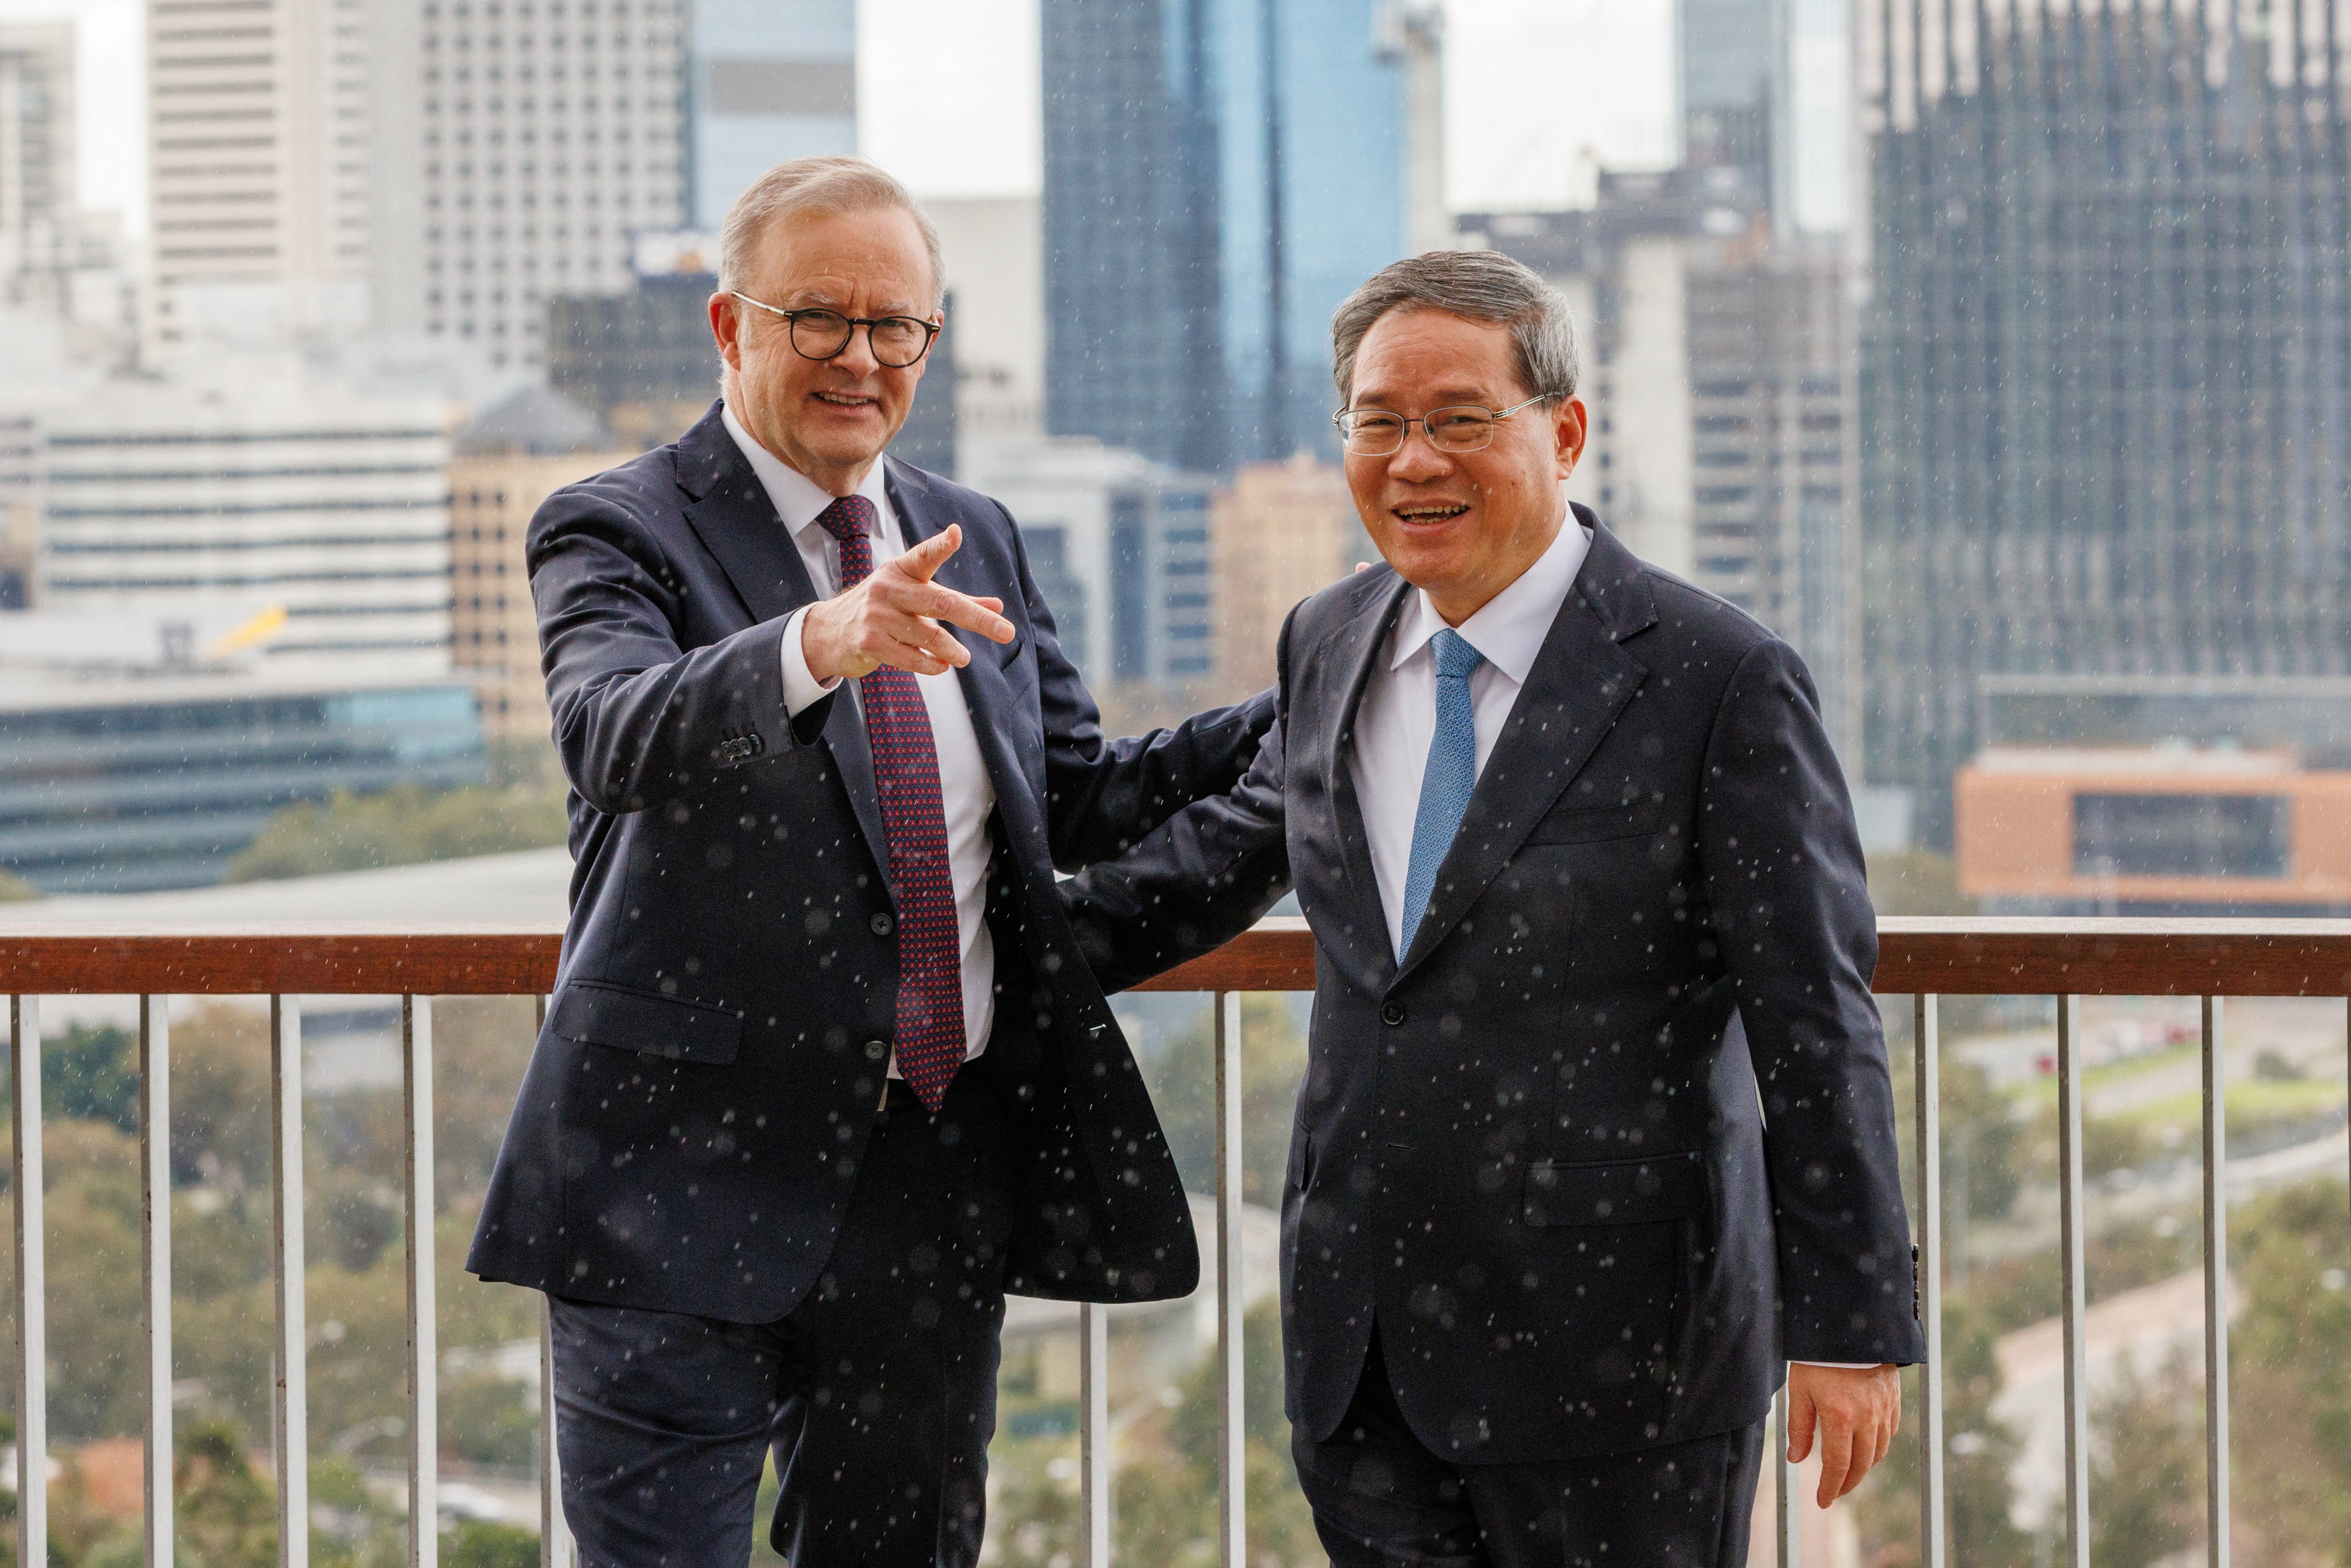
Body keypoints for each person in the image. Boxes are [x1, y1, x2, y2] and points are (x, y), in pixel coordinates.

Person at [466, 156, 1274, 1568]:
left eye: (895, 324)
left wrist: (1317, 699)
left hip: (924, 1187)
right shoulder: (616, 523)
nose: (861, 356)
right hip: (674, 1194)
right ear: (731, 328)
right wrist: (819, 640)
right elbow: (611, 734)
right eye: (818, 318)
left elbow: (1072, 798)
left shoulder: (977, 533)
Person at [1060, 249, 1925, 1566]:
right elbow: (1227, 850)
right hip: (1362, 1356)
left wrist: (1852, 1322)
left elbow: (1816, 1016)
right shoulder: (1330, 637)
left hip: (1619, 1364)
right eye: (1378, 422)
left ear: (1563, 432)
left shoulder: (1713, 677)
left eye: (1460, 420)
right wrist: (942, 968)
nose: (1414, 461)